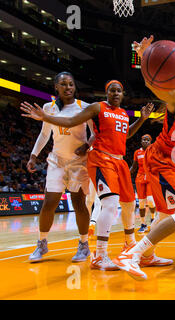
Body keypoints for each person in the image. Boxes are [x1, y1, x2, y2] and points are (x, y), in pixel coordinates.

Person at [21, 80, 154, 270]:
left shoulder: (123, 114)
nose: (115, 93)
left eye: (119, 91)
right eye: (112, 90)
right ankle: (99, 255)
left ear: (123, 94)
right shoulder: (96, 108)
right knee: (108, 204)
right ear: (106, 93)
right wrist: (45, 118)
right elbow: (70, 121)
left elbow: (125, 135)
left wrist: (142, 119)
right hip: (101, 159)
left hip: (119, 160)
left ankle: (129, 244)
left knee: (128, 205)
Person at [112, 35, 175, 281]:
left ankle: (148, 256)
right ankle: (132, 254)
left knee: (165, 214)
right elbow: (152, 83)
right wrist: (145, 55)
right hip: (162, 159)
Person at [25, 71, 94, 263]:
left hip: (78, 162)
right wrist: (33, 156)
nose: (68, 87)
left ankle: (83, 245)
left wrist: (87, 145)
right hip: (56, 160)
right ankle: (42, 243)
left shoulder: (84, 107)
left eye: (71, 84)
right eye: (63, 84)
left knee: (79, 203)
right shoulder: (48, 108)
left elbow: (95, 133)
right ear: (56, 87)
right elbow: (44, 135)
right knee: (49, 203)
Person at [130, 134, 156, 233]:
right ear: (141, 141)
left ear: (150, 142)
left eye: (147, 140)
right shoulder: (137, 152)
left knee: (150, 200)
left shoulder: (154, 151)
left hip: (150, 177)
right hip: (140, 178)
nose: (145, 141)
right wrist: (126, 175)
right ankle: (143, 224)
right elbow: (133, 167)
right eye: (144, 140)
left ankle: (153, 219)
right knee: (141, 203)